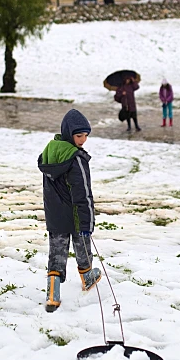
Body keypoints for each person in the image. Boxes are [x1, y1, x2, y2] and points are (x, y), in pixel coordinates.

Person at [37, 109, 101, 312]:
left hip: (55, 215)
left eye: (86, 136)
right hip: (75, 215)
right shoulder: (76, 158)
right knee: (83, 247)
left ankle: (53, 295)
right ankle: (88, 277)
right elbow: (83, 192)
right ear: (68, 134)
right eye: (79, 135)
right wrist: (87, 221)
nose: (83, 140)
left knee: (56, 252)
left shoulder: (49, 154)